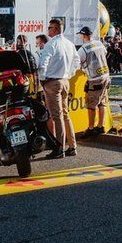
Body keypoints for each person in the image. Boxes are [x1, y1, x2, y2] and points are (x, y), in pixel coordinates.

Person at [38, 19, 78, 159]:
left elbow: (43, 63)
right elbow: (77, 62)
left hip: (52, 82)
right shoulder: (69, 44)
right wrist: (69, 74)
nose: (48, 30)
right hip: (65, 81)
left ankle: (59, 148)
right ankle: (72, 146)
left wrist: (42, 78)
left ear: (54, 29)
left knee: (57, 116)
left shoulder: (51, 44)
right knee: (65, 114)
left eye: (49, 27)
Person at [77, 26, 110, 135]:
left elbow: (77, 65)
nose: (81, 37)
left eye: (81, 35)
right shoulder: (99, 43)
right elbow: (104, 54)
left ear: (84, 36)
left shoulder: (83, 49)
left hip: (95, 79)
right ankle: (101, 126)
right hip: (105, 76)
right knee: (102, 103)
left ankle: (91, 128)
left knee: (91, 105)